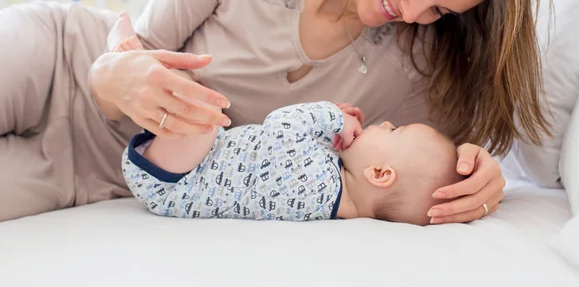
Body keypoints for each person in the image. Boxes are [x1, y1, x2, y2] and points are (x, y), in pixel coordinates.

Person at [0, 0, 550, 223]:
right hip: (59, 62)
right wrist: (109, 78)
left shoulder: (417, 75)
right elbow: (138, 54)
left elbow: (434, 169)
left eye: (438, 10)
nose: (412, 11)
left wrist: (484, 178)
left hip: (90, 176)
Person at [122, 98, 461, 226]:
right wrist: (335, 135)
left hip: (175, 180)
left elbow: (280, 125)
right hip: (182, 167)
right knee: (199, 112)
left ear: (380, 174)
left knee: (203, 113)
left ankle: (132, 54)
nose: (385, 124)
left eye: (394, 131)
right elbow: (284, 159)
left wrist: (330, 115)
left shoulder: (318, 184)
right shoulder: (329, 194)